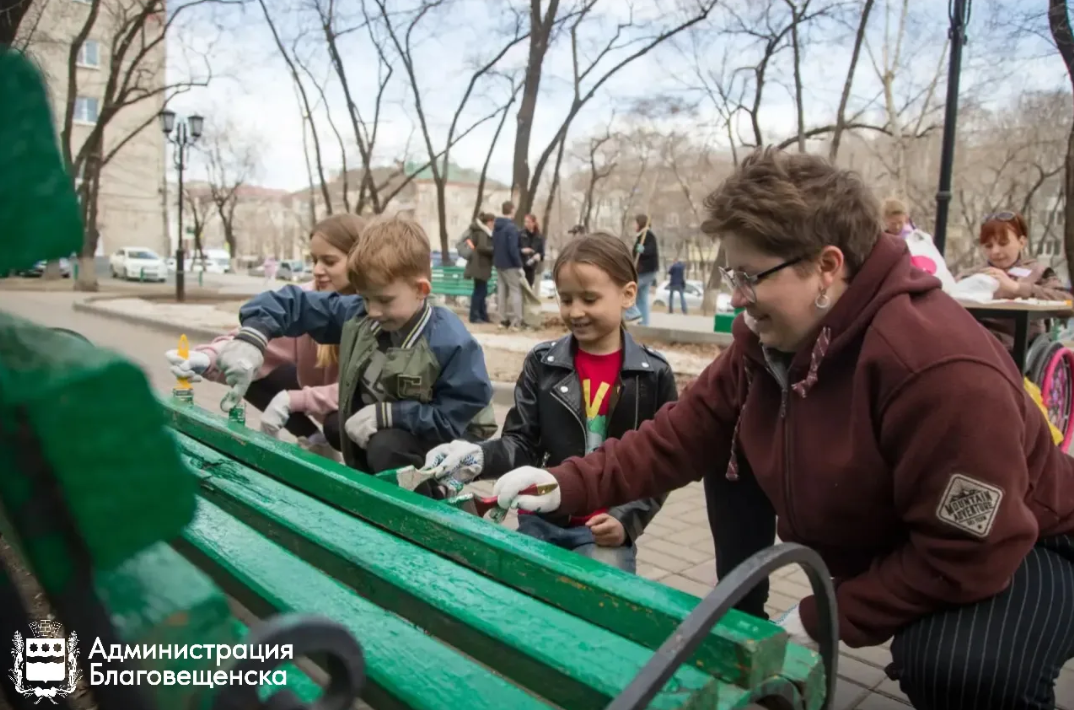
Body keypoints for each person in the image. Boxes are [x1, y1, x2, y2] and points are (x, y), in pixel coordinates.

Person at [491, 149, 1074, 710]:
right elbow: (677, 437)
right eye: (731, 272)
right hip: (902, 531)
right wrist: (563, 483)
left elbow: (970, 548)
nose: (736, 296)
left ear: (827, 265)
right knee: (732, 455)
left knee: (961, 669)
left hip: (1025, 541)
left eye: (750, 275)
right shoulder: (766, 341)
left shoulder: (936, 368)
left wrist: (822, 616)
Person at [423, 232, 675, 572]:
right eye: (566, 299)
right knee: (519, 599)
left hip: (604, 529)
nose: (576, 311)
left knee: (601, 605)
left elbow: (658, 464)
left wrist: (627, 520)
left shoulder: (652, 374)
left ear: (628, 294)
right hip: (540, 516)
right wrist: (478, 456)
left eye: (589, 298)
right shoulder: (543, 363)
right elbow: (521, 442)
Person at [211, 215, 498, 475]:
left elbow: (457, 419)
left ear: (420, 290)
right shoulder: (361, 314)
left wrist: (388, 414)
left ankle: (421, 513)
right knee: (338, 426)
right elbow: (293, 303)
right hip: (379, 430)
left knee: (386, 445)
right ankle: (369, 486)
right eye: (364, 298)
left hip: (443, 450)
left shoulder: (450, 342)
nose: (372, 311)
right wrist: (254, 334)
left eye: (384, 300)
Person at [166, 214, 364, 459]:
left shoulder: (376, 308)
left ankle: (364, 482)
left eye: (329, 261)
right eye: (313, 260)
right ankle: (316, 441)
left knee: (341, 425)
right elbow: (255, 342)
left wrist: (292, 400)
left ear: (358, 260)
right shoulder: (306, 298)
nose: (316, 270)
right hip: (321, 400)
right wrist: (208, 359)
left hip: (356, 410)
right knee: (250, 367)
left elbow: (366, 391)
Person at [958, 211, 1070, 351]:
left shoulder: (1038, 272)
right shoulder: (970, 275)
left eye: (1003, 243)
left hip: (1018, 347)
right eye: (988, 246)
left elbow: (1069, 303)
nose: (995, 251)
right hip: (973, 341)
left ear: (1021, 242)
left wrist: (1017, 288)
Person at [492, 201, 525, 330]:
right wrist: (519, 265)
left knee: (502, 292)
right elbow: (513, 249)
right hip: (510, 264)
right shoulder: (511, 227)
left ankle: (502, 320)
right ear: (511, 210)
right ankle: (517, 321)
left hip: (499, 263)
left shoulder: (496, 226)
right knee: (515, 291)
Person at [623, 215, 659, 325]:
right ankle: (644, 324)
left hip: (646, 271)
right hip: (646, 271)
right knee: (642, 298)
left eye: (636, 223)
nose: (635, 226)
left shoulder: (647, 235)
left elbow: (650, 250)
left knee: (628, 291)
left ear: (641, 223)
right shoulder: (642, 235)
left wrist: (640, 249)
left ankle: (633, 313)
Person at [464, 212, 495, 324]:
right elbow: (482, 247)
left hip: (481, 266)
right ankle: (475, 315)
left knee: (482, 291)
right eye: (493, 222)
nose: (494, 225)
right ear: (489, 222)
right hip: (480, 266)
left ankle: (482, 315)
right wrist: (494, 249)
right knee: (479, 292)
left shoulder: (482, 231)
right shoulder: (482, 232)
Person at [520, 213, 545, 288]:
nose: (526, 224)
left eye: (528, 222)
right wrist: (522, 250)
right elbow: (514, 249)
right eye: (525, 222)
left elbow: (542, 253)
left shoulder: (539, 237)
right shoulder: (520, 234)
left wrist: (539, 256)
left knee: (529, 288)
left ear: (534, 223)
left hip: (531, 268)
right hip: (520, 266)